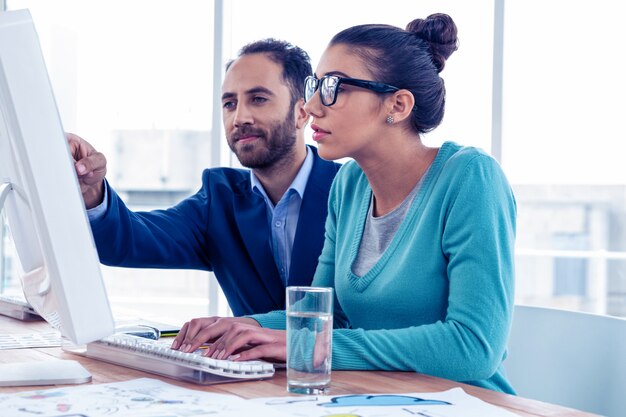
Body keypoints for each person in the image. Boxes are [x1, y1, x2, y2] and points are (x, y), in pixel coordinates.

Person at [171, 14, 517, 394]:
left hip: (466, 404)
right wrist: (246, 327)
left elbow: (474, 347)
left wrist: (315, 347)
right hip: (373, 397)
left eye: (334, 87)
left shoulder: (470, 178)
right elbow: (325, 318)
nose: (314, 106)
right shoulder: (349, 185)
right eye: (315, 86)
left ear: (398, 105)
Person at [68, 39, 342, 317]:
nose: (239, 117)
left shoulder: (351, 192)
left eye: (258, 99)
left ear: (301, 112)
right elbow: (126, 242)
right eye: (229, 103)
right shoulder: (219, 199)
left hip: (346, 361)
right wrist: (92, 192)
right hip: (244, 362)